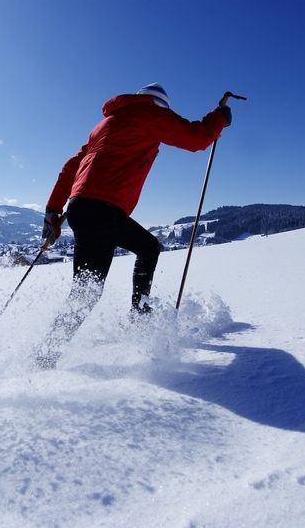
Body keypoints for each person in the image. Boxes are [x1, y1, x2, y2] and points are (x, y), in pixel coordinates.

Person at [35, 83, 233, 369]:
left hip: (92, 208)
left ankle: (139, 316)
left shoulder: (105, 124)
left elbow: (71, 167)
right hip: (100, 210)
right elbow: (196, 138)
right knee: (87, 292)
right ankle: (44, 356)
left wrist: (53, 210)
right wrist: (221, 116)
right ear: (160, 106)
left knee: (149, 247)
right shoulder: (150, 115)